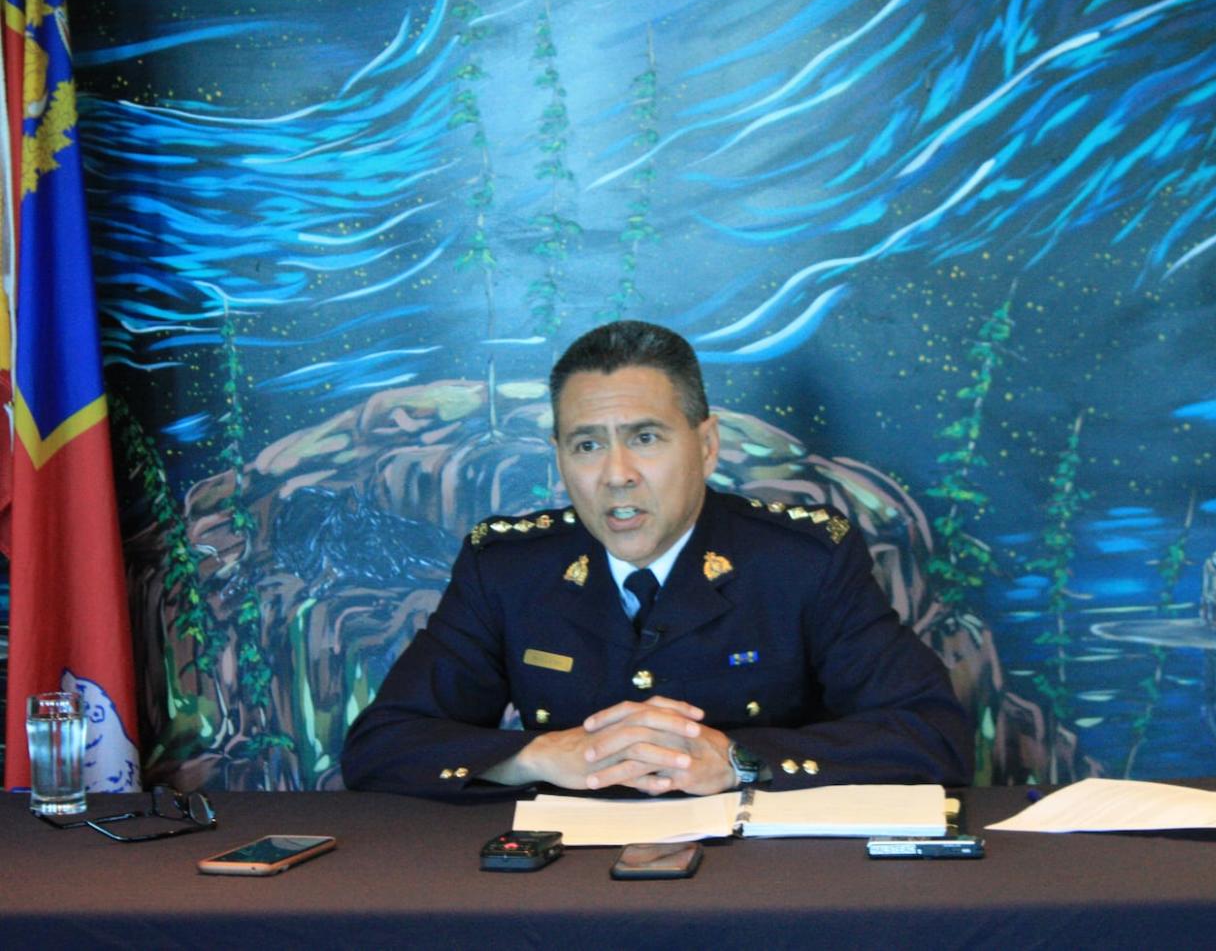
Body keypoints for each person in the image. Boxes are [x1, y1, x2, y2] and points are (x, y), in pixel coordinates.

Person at [340, 321, 972, 799]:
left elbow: (933, 735)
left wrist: (738, 761)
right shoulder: (509, 568)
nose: (617, 476)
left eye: (645, 439)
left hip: (763, 893)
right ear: (558, 454)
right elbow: (382, 744)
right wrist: (535, 755)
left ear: (706, 445)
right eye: (587, 445)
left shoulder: (801, 561)